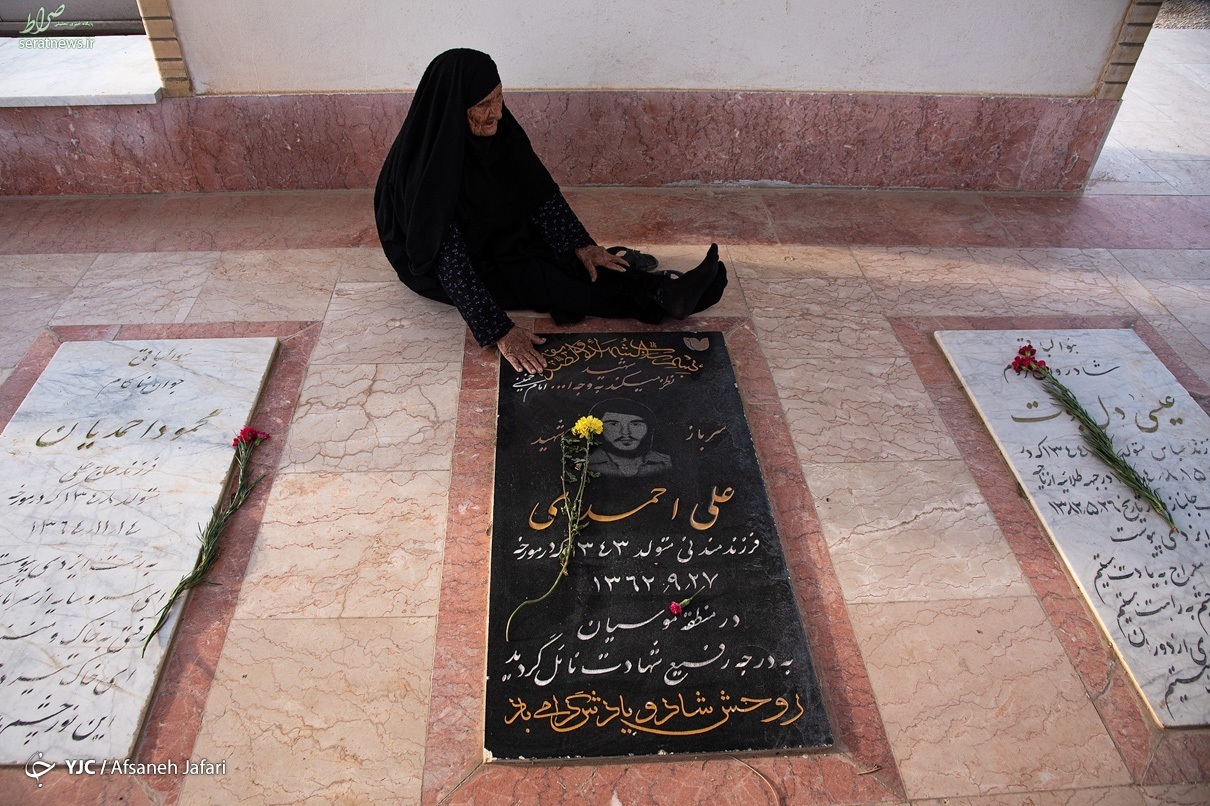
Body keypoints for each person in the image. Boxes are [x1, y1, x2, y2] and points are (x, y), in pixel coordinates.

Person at [374, 49, 726, 375]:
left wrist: (580, 244)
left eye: (499, 97)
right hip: (443, 264)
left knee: (570, 256)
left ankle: (665, 292)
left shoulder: (499, 132)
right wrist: (498, 330)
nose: (497, 112)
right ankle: (660, 297)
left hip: (492, 232)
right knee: (540, 278)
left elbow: (538, 193)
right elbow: (447, 259)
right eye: (483, 104)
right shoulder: (427, 170)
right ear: (454, 108)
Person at [587, 399, 671, 478]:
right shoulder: (587, 464)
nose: (625, 432)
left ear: (650, 429)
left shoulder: (665, 463)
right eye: (613, 424)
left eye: (635, 424)